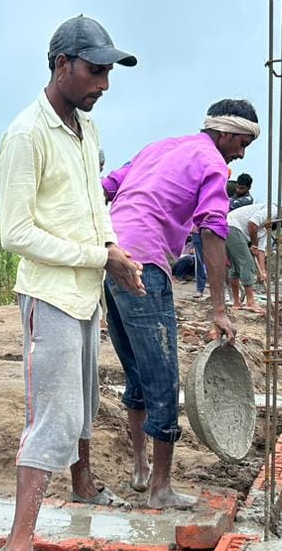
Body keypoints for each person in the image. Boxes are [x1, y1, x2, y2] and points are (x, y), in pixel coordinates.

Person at [0, 14, 145, 551]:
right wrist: (97, 257)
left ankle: (81, 488)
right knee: (52, 421)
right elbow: (16, 233)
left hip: (85, 293)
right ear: (62, 65)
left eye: (109, 71)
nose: (104, 83)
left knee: (81, 407)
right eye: (95, 70)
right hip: (50, 295)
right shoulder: (26, 135)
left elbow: (94, 205)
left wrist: (112, 250)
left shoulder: (86, 130)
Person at [101, 99, 257, 505]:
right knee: (163, 376)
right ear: (225, 133)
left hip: (109, 257)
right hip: (144, 265)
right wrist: (219, 310)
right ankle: (161, 488)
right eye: (242, 143)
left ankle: (141, 468)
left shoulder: (159, 147)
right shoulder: (213, 164)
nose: (241, 154)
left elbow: (104, 187)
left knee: (137, 371)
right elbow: (213, 229)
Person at [227, 201, 282, 311]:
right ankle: (250, 302)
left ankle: (237, 302)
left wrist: (262, 271)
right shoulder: (272, 210)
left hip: (232, 228)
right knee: (247, 263)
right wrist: (254, 245)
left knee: (236, 268)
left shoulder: (265, 229)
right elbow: (252, 224)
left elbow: (261, 250)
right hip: (232, 226)